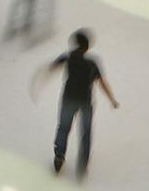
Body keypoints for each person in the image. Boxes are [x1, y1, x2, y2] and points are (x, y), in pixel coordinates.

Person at [35, 29, 119, 178]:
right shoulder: (92, 63)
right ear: (87, 47)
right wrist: (111, 99)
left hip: (68, 99)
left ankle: (59, 157)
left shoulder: (68, 57)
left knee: (63, 128)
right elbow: (102, 83)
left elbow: (51, 67)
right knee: (85, 133)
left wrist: (39, 81)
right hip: (85, 102)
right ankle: (82, 164)